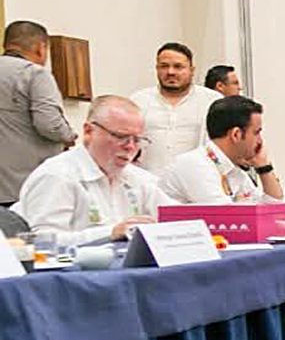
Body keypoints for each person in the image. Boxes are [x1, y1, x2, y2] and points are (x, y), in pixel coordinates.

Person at [16, 95, 175, 246]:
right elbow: (43, 241)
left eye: (137, 139)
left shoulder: (138, 178)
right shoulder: (57, 176)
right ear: (88, 131)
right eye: (121, 137)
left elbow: (176, 218)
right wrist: (111, 233)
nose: (130, 147)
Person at [159, 95, 285, 204]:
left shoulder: (233, 169)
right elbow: (229, 218)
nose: (260, 141)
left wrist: (264, 167)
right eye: (256, 132)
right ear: (236, 134)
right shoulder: (194, 165)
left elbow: (277, 209)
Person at [0, 20, 75, 205]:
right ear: (41, 48)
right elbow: (49, 125)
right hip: (25, 186)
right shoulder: (35, 74)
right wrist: (69, 135)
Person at [131, 42, 215, 172]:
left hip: (196, 181)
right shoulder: (138, 101)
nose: (170, 72)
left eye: (178, 67)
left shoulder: (211, 101)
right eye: (164, 66)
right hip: (149, 180)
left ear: (192, 70)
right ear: (157, 69)